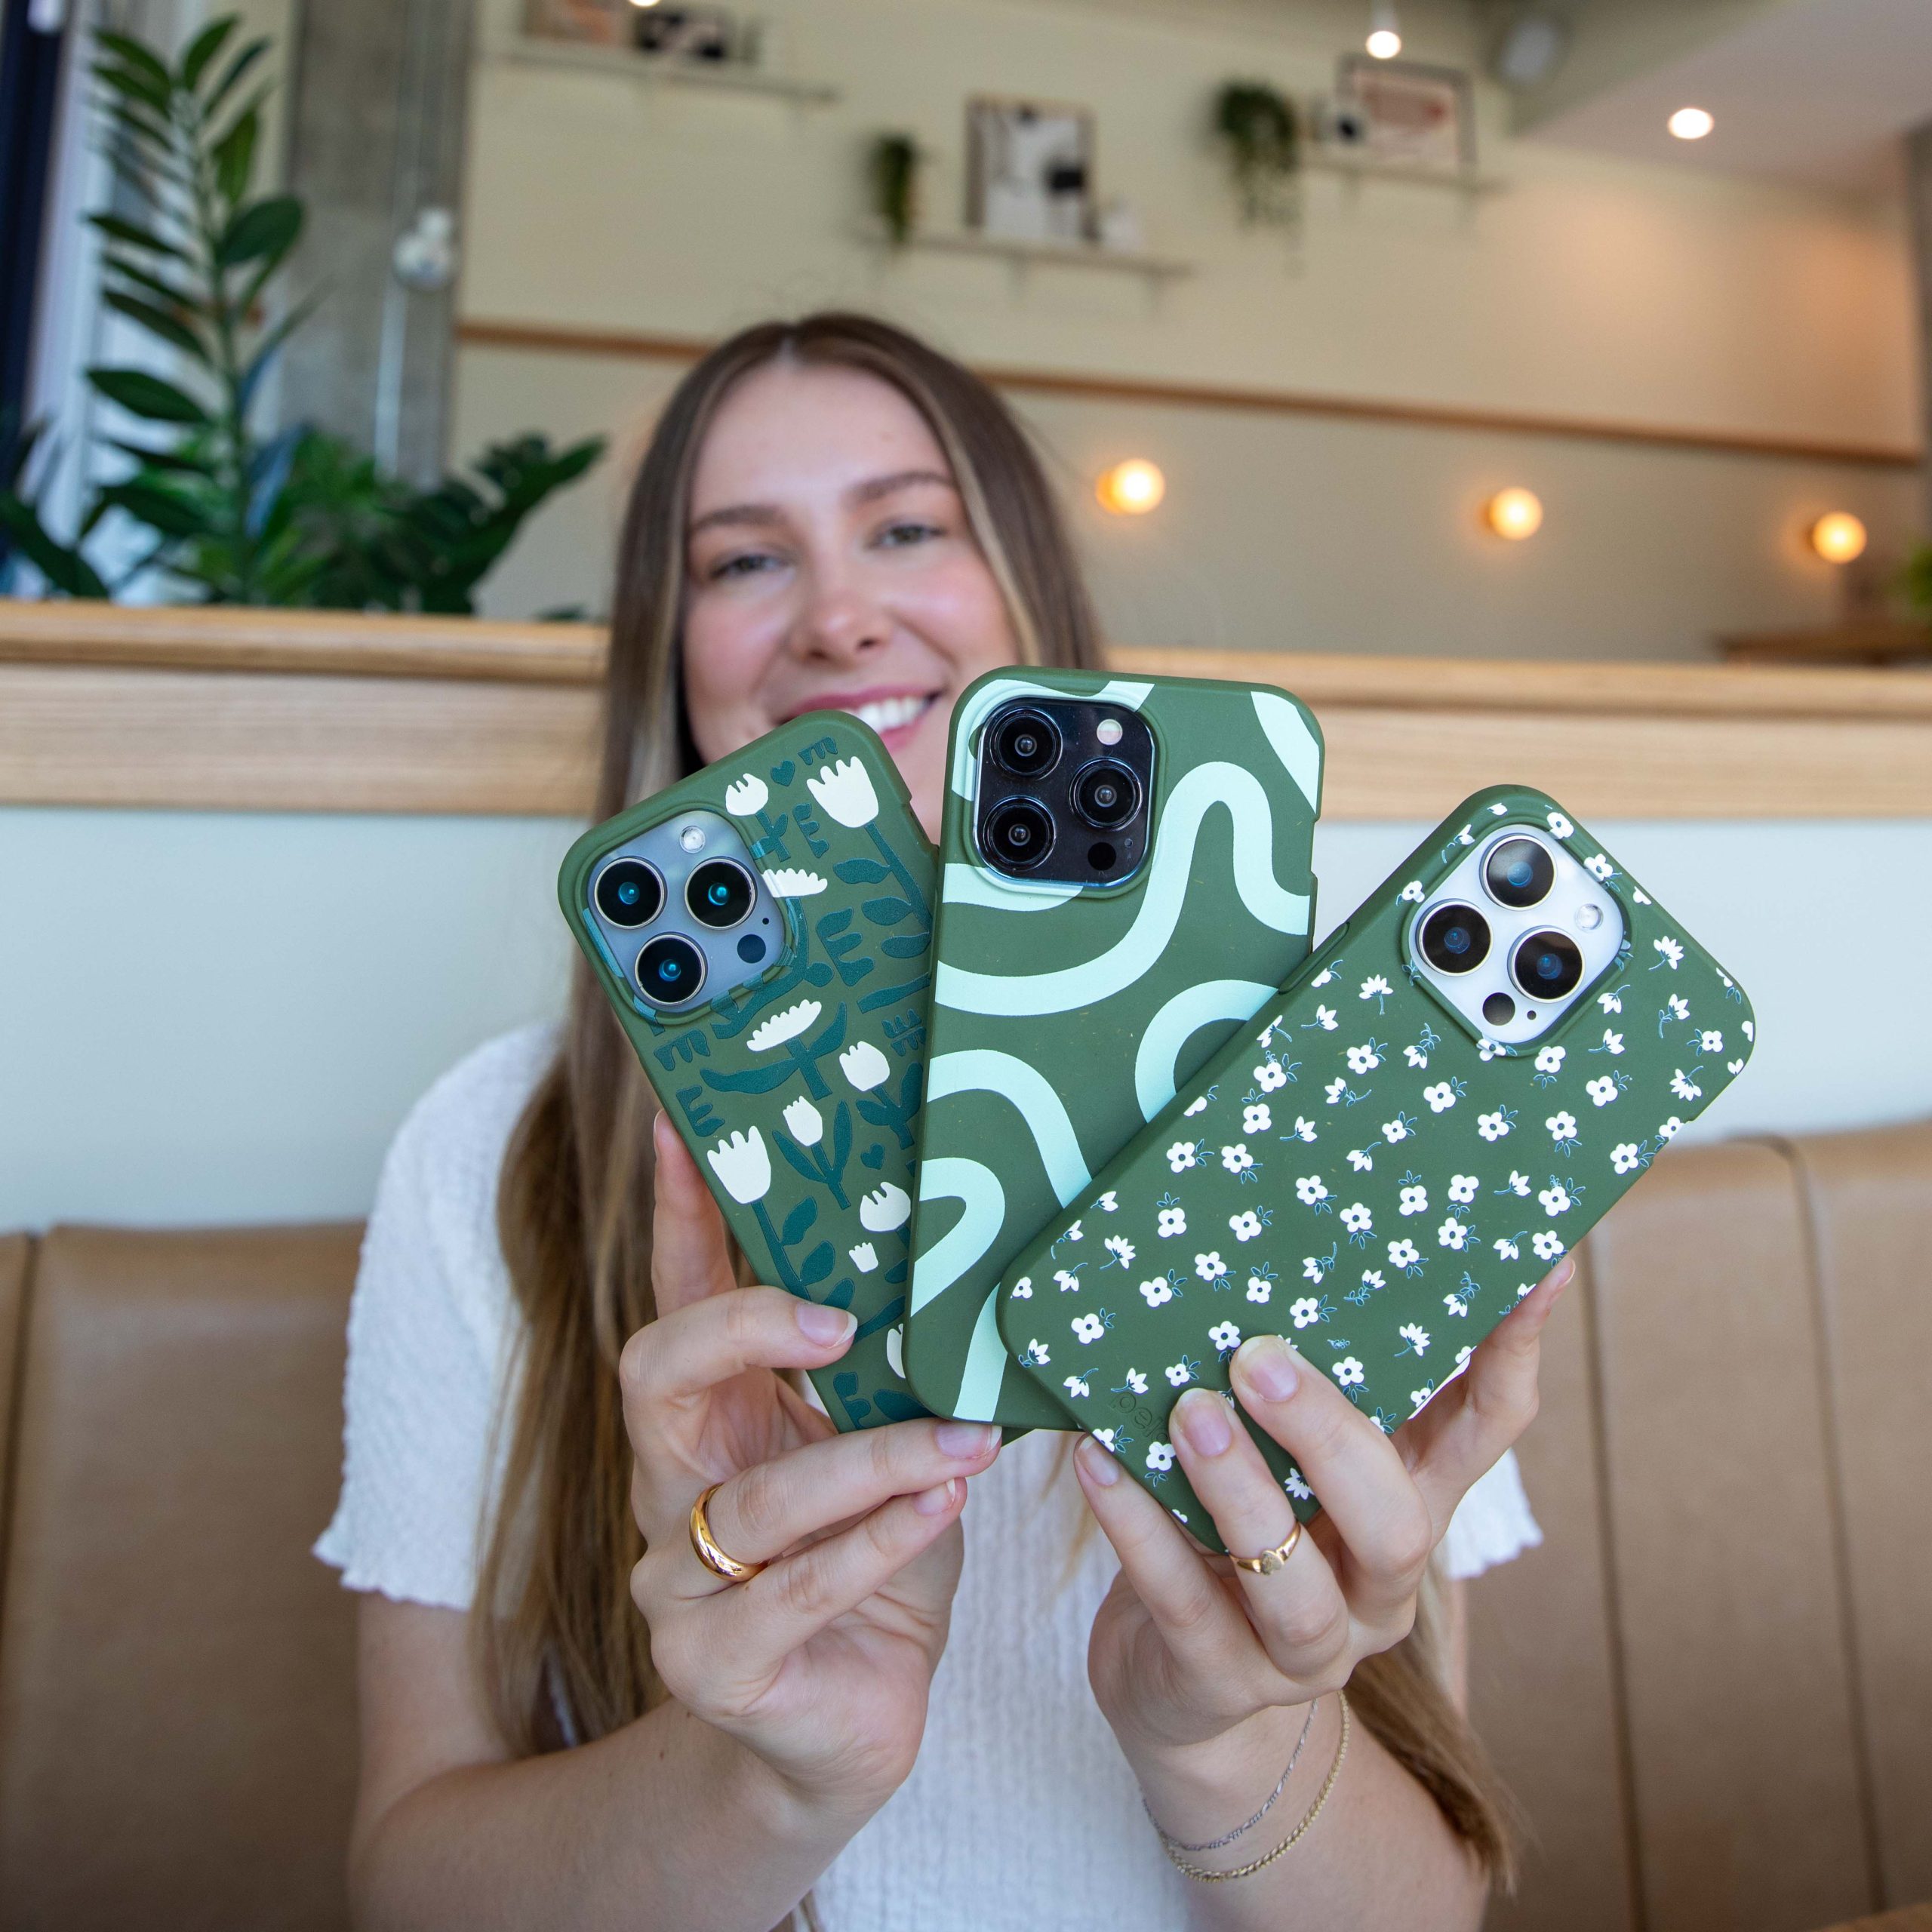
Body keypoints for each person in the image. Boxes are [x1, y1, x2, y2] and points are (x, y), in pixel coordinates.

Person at [318, 312, 1558, 1932]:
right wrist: (766, 1778)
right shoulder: (489, 1152)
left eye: (908, 528)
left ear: (1032, 593)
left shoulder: (1319, 1120)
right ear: (670, 658)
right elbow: (407, 1886)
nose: (839, 615)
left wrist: (1233, 1736)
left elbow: (1434, 1913)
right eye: (742, 560)